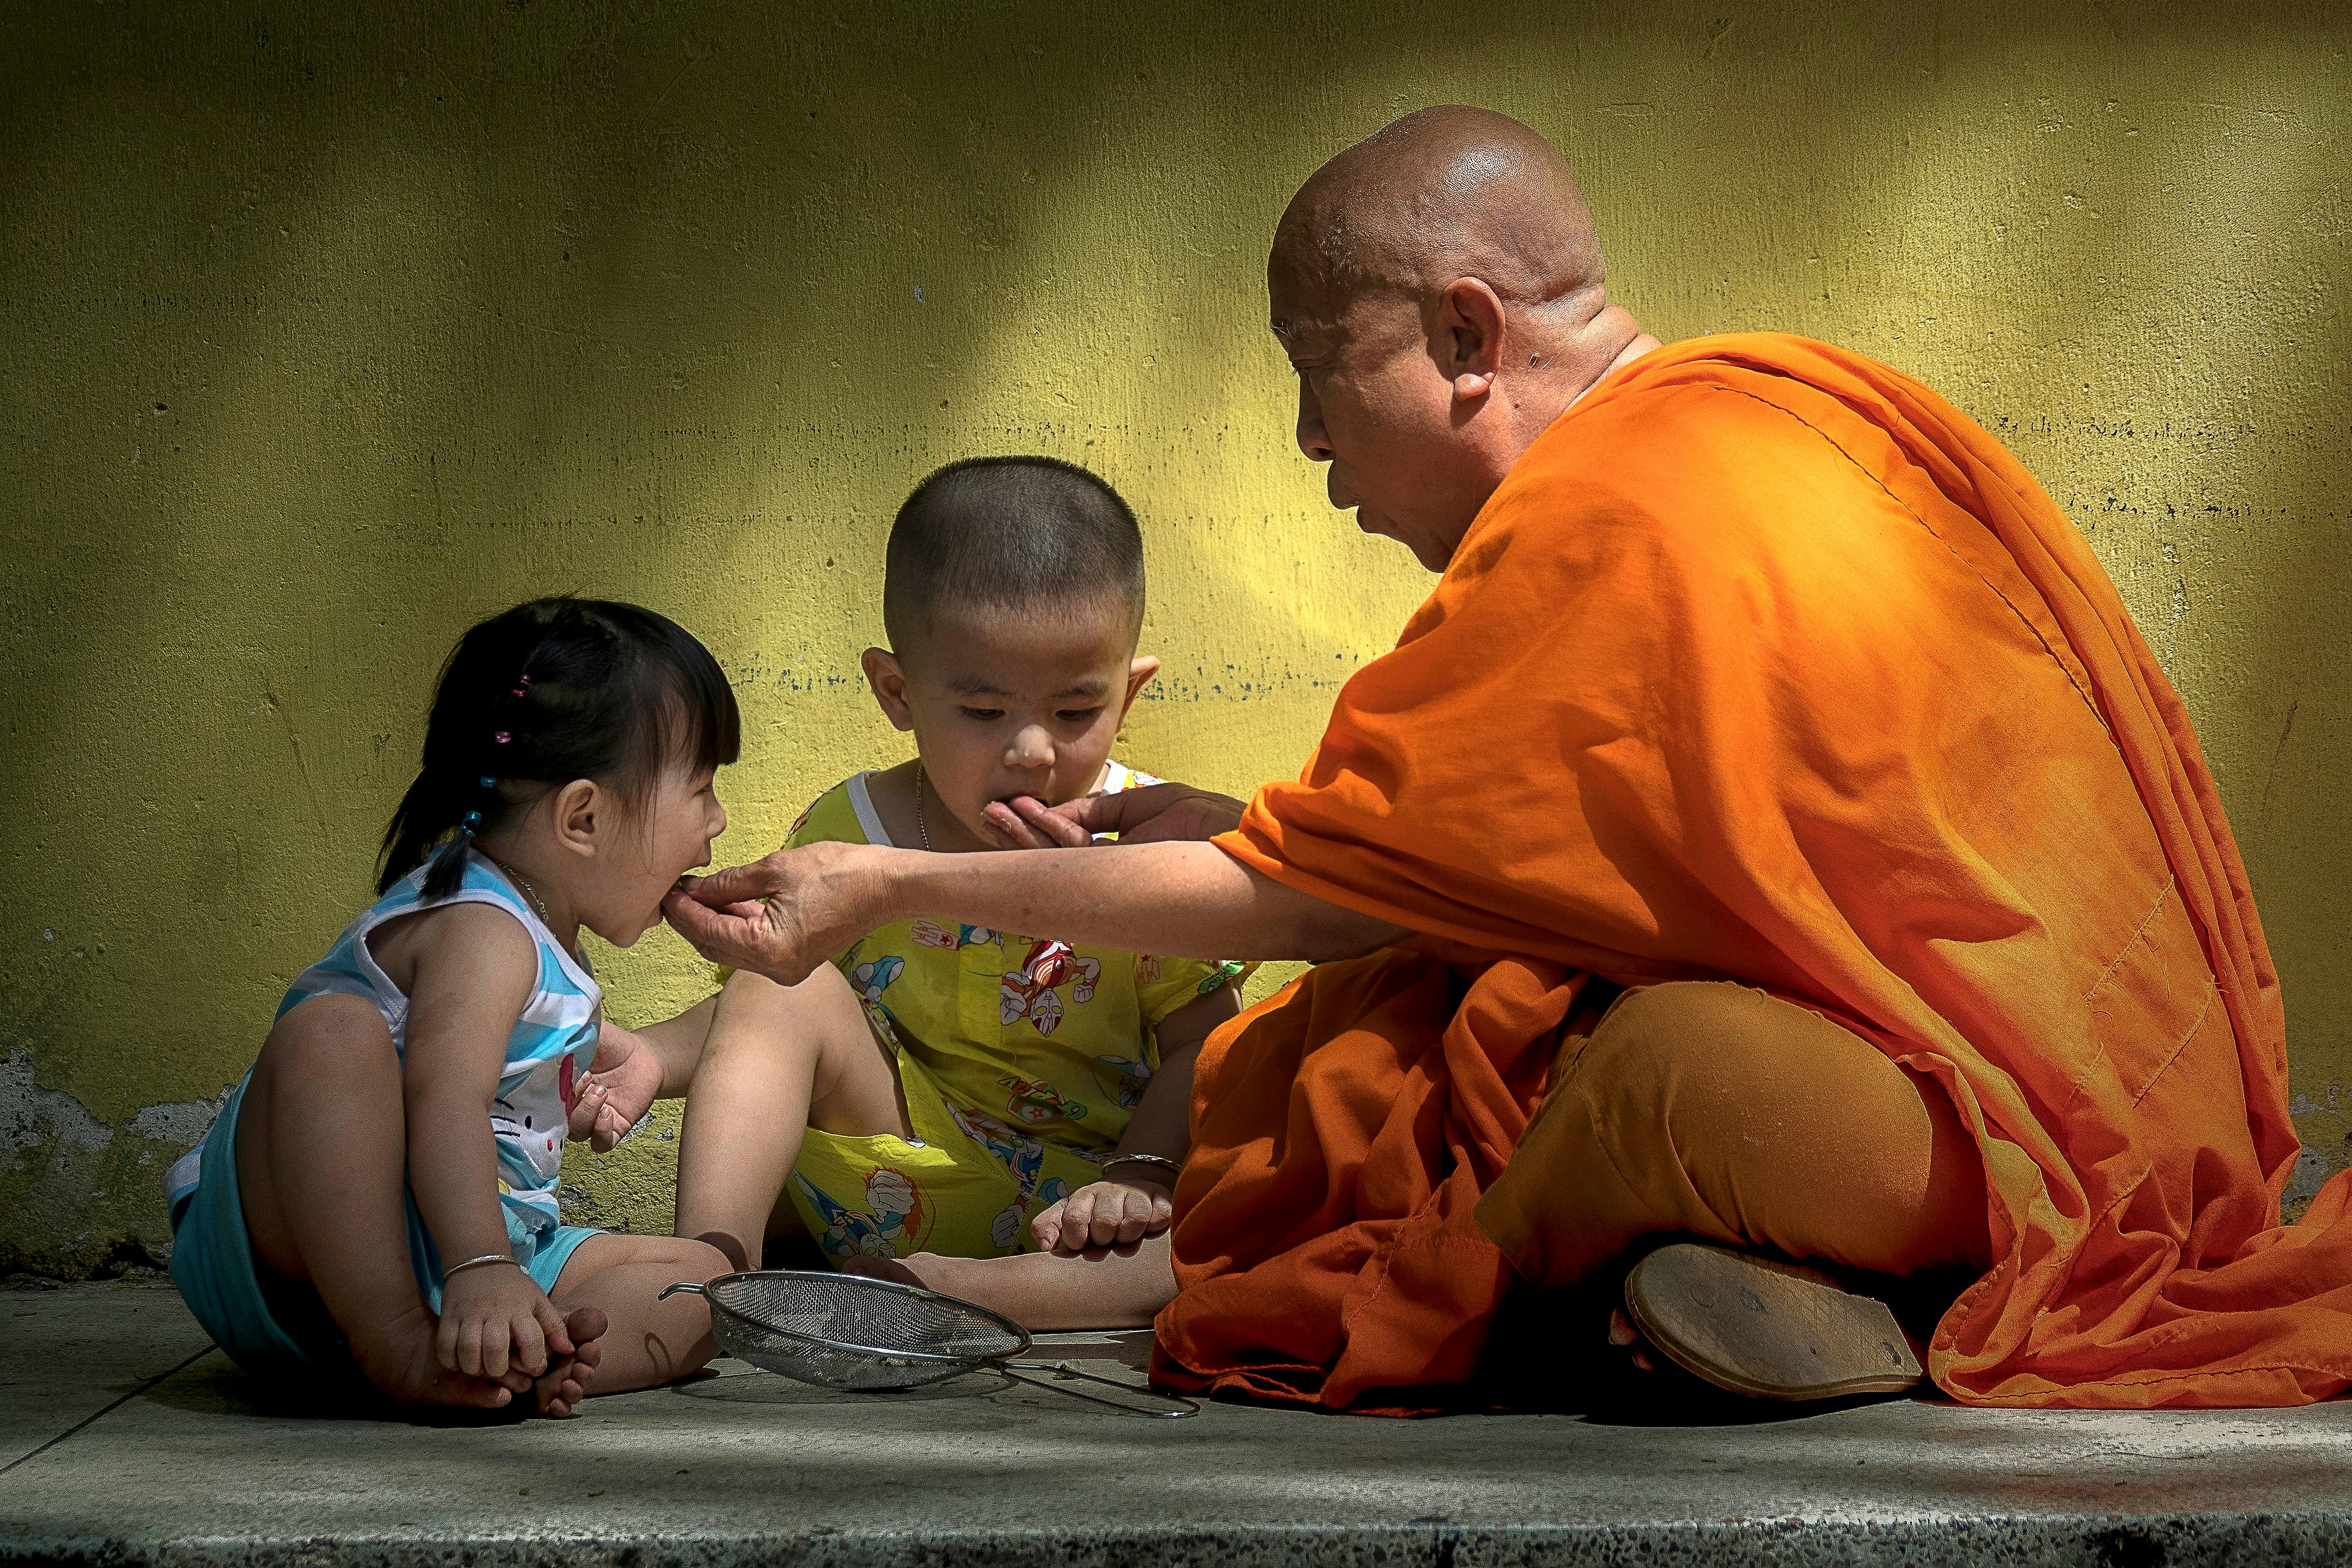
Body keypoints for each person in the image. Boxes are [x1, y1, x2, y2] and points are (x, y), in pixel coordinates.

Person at [664, 106, 2352, 1413]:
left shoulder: (1606, 513)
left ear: (1465, 336)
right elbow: (1582, 855)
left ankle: (1796, 1290)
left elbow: (1303, 901)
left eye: (1322, 370)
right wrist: (1286, 845)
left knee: (1615, 1078)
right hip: (2137, 1105)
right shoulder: (1795, 406)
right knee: (1433, 1027)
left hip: (1990, 1142)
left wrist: (882, 876)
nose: (1311, 445)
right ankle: (1716, 1293)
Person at [668, 456, 1247, 1330]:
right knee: (773, 988)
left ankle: (959, 1295)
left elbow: (1204, 1042)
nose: (1031, 753)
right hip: (905, 1173)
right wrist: (639, 1054)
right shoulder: (852, 829)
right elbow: (767, 1017)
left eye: (1075, 711)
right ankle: (712, 1278)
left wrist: (1143, 1172)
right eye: (982, 713)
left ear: (1128, 691)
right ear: (897, 692)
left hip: (1096, 1211)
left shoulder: (1148, 844)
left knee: (1229, 1225)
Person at [165, 597, 734, 1415]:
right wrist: (480, 1267)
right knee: (330, 1035)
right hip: (334, 1260)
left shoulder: (531, 935)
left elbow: (490, 1071)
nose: (715, 823)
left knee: (709, 1283)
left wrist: (587, 1071)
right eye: (702, 790)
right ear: (583, 817)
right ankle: (398, 1340)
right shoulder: (483, 931)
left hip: (479, 1264)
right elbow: (443, 1097)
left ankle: (521, 1363)